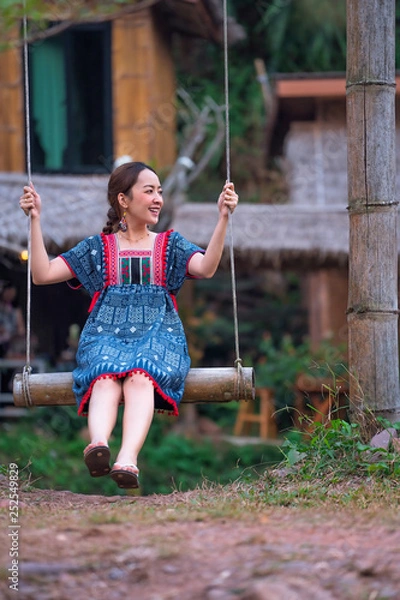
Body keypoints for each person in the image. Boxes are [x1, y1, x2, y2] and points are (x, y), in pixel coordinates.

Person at [20, 161, 239, 489]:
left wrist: (223, 218)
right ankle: (98, 445)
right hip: (106, 333)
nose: (157, 199)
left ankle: (127, 459)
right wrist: (35, 220)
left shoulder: (170, 246)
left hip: (157, 334)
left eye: (160, 192)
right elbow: (42, 274)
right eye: (149, 191)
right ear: (124, 200)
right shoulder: (97, 248)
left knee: (141, 375)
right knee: (104, 375)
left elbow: (206, 267)